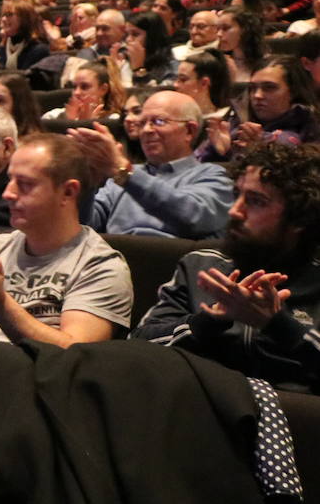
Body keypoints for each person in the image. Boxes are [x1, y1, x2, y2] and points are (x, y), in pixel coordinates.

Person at [135, 142, 320, 391]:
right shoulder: (200, 265)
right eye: (237, 195)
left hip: (296, 422)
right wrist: (209, 320)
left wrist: (276, 324)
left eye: (255, 201)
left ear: (298, 218)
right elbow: (137, 345)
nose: (234, 211)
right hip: (200, 413)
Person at [0, 135, 133, 347]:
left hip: (35, 378)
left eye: (24, 184)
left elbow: (75, 354)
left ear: (68, 192)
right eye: (10, 180)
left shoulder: (100, 265)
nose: (8, 193)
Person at [68, 90, 233, 239]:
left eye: (158, 122)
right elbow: (87, 226)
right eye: (142, 123)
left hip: (170, 265)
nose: (146, 130)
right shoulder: (120, 177)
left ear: (189, 131)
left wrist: (127, 173)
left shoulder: (213, 175)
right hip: (113, 261)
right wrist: (88, 182)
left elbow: (192, 217)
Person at [201, 57, 320, 160]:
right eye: (252, 88)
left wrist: (260, 152)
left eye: (269, 88)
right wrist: (220, 153)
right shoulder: (232, 126)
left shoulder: (312, 129)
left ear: (293, 92)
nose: (257, 95)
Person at [173, 49, 231, 120]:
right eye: (176, 79)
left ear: (204, 83)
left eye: (183, 80)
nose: (175, 85)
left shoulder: (226, 119)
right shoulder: (172, 116)